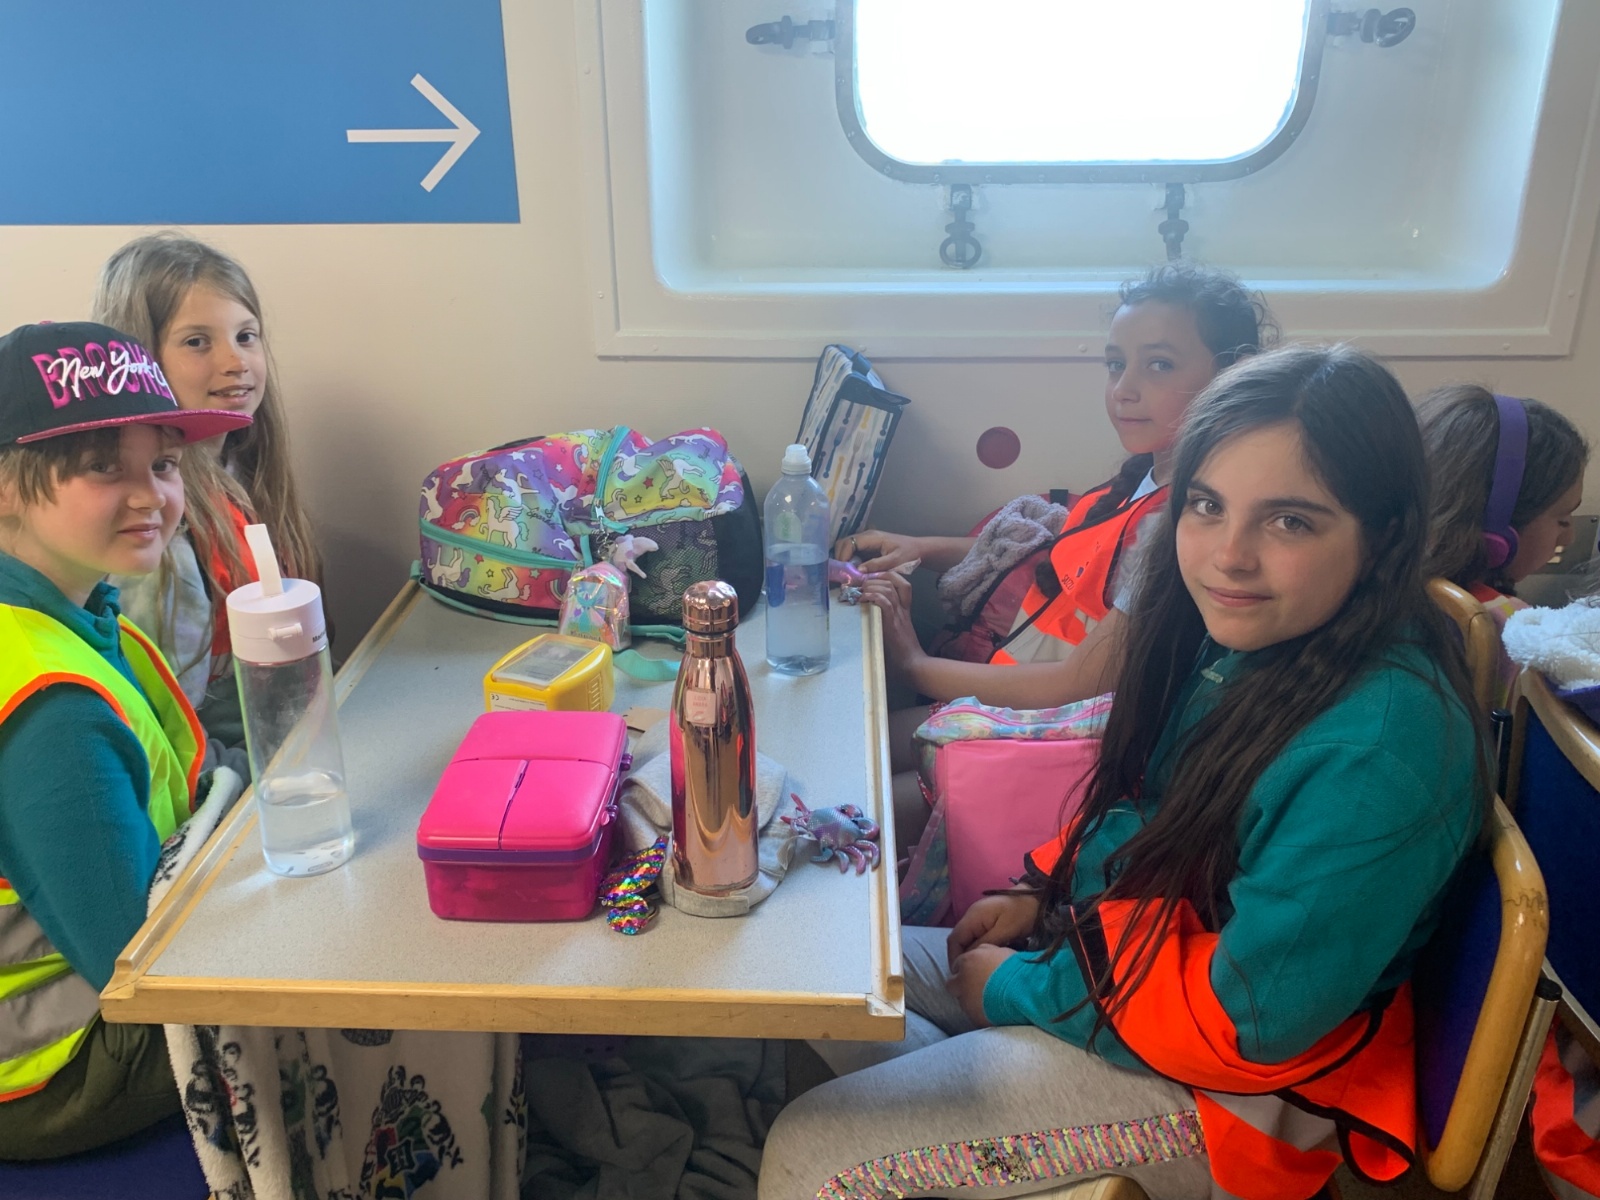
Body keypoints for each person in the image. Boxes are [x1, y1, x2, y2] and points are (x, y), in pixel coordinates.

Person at [759, 344, 1488, 1200]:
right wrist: (1042, 889)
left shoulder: (1375, 750)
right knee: (823, 974)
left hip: (1234, 1097)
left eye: (1290, 521)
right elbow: (1150, 810)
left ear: (1384, 535)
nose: (1229, 555)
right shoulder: (1254, 645)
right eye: (1208, 506)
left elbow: (1248, 1019)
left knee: (816, 1152)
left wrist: (1023, 994)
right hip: (1137, 983)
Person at [847, 263, 1273, 837]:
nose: (1124, 389)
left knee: (858, 803)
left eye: (1159, 365)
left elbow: (1078, 683)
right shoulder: (1144, 479)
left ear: (1231, 374)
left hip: (1064, 741)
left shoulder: (1183, 525)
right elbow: (1066, 558)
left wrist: (914, 664)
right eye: (1116, 364)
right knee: (856, 740)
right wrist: (921, 547)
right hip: (1018, 699)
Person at [0, 321, 250, 1158]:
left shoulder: (86, 617)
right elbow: (141, 970)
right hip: (56, 1069)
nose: (152, 497)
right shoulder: (52, 707)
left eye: (165, 465)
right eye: (106, 467)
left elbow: (205, 773)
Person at [92, 232, 323, 747]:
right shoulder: (157, 530)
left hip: (285, 746)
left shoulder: (241, 472)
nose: (235, 361)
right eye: (197, 341)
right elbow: (167, 732)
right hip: (230, 774)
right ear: (140, 358)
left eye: (246, 336)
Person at [1419, 384, 1589, 707]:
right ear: (1497, 530)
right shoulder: (1507, 626)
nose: (1568, 538)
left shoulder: (1393, 588)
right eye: (1562, 519)